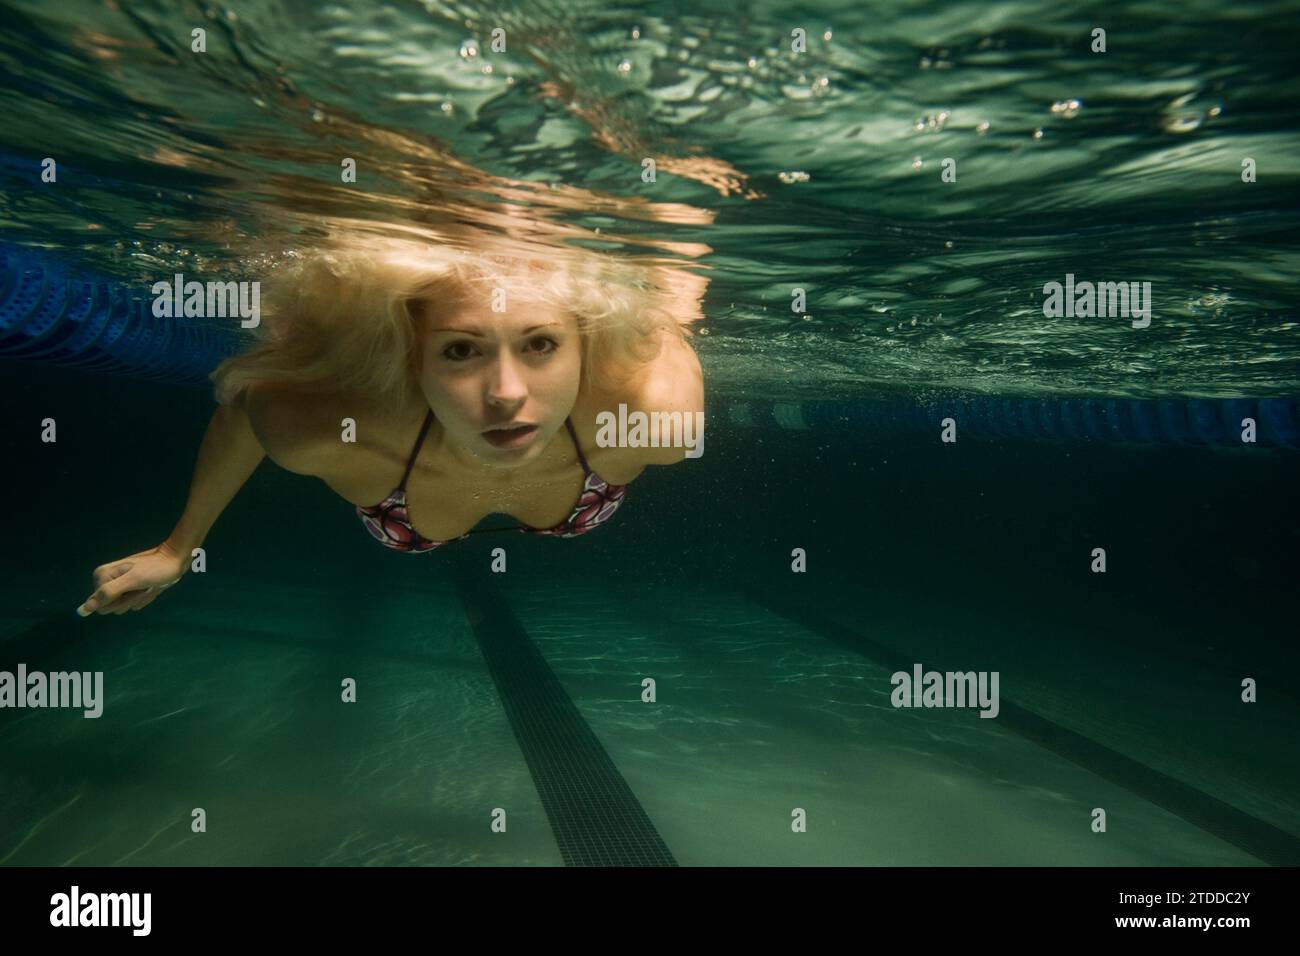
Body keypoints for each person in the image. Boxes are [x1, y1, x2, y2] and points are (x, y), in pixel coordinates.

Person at [77, 235, 705, 616]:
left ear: (585, 346)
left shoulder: (656, 420)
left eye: (541, 344)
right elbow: (243, 411)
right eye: (460, 350)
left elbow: (663, 325)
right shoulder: (336, 431)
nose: (507, 394)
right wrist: (175, 550)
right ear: (412, 356)